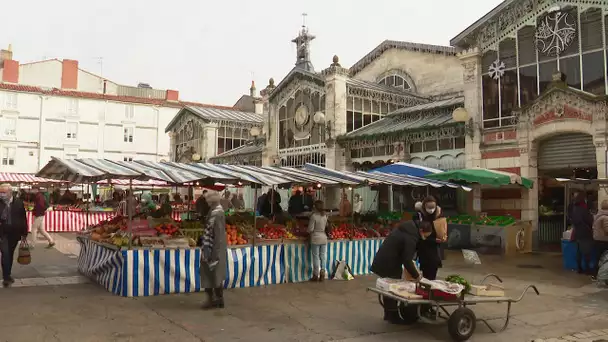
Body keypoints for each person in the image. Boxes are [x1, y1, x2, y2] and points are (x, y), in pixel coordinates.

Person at [371, 219, 433, 324]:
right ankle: (393, 316)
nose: (424, 238)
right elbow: (407, 260)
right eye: (425, 236)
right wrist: (417, 277)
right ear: (421, 230)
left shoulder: (407, 229)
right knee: (392, 289)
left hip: (385, 259)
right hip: (389, 262)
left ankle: (389, 314)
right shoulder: (411, 236)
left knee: (388, 288)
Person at [200, 191, 227, 309]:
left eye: (207, 200)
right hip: (211, 247)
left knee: (213, 274)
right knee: (213, 274)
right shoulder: (215, 211)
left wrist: (215, 253)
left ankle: (214, 299)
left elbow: (219, 235)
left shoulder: (218, 213)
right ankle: (217, 299)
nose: (206, 202)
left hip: (213, 248)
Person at [0, 183, 29, 288]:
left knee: (10, 254)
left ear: (10, 192)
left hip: (14, 233)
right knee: (5, 254)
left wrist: (24, 233)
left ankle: (8, 274)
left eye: (3, 192)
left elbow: (23, 218)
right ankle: (6, 278)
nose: (1, 194)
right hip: (2, 233)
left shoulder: (18, 203)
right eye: (0, 192)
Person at [417, 196, 445, 281]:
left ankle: (430, 291)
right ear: (424, 207)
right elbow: (419, 235)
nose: (431, 209)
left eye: (433, 207)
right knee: (426, 275)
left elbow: (443, 230)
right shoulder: (419, 216)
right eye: (429, 207)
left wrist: (443, 236)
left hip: (435, 250)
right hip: (424, 249)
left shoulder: (439, 215)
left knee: (433, 274)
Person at [571, 192, 594, 274]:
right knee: (586, 251)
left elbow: (573, 220)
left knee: (579, 252)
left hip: (577, 233)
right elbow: (589, 221)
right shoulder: (584, 209)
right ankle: (587, 269)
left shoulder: (575, 208)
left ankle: (579, 268)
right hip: (585, 233)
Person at [308, 200, 328, 281]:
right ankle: (322, 272)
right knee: (323, 256)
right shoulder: (325, 216)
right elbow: (326, 226)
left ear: (315, 207)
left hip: (316, 238)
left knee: (316, 257)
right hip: (324, 237)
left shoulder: (314, 216)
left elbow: (310, 229)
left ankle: (315, 275)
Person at [592, 200, 608, 280]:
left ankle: (595, 275)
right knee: (605, 258)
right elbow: (607, 229)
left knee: (597, 258)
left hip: (597, 240)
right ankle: (603, 275)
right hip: (604, 241)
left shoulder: (597, 215)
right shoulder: (605, 217)